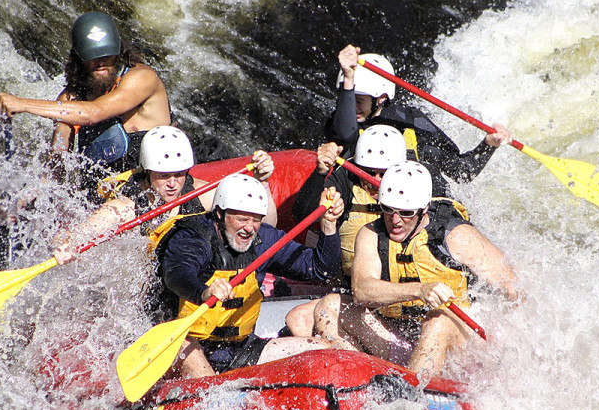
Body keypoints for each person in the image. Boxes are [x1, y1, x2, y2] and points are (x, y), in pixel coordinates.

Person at [318, 162, 520, 380]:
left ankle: (409, 398)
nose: (394, 221)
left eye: (405, 212)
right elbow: (362, 291)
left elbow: (515, 289)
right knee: (328, 306)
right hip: (404, 336)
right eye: (388, 210)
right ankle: (357, 382)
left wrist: (508, 346)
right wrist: (419, 290)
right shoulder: (371, 234)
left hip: (461, 340)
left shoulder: (457, 236)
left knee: (438, 320)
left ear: (423, 210)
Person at [156, 174, 347, 378]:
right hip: (186, 342)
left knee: (326, 351)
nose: (249, 228)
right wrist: (204, 292)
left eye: (256, 219)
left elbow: (320, 269)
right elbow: (176, 274)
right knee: (206, 382)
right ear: (220, 213)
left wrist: (329, 226)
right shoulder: (192, 237)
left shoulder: (264, 239)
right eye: (242, 219)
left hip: (241, 347)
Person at [52, 126, 277, 264]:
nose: (172, 184)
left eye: (179, 174)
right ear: (148, 172)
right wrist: (66, 245)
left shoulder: (203, 194)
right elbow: (74, 235)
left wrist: (262, 183)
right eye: (163, 175)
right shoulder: (125, 208)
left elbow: (268, 227)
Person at [0, 11, 172, 179]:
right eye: (92, 57)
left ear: (118, 53)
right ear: (79, 59)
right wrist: (33, 194)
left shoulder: (141, 78)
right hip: (103, 193)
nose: (101, 62)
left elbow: (95, 112)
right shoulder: (70, 101)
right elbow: (58, 159)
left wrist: (23, 104)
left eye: (107, 55)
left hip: (150, 186)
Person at [282, 125, 412, 337]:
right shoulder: (347, 178)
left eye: (384, 173)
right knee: (298, 319)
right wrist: (321, 172)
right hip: (356, 292)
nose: (376, 181)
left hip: (399, 299)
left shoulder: (414, 189)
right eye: (369, 173)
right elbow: (304, 214)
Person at [324, 45, 512, 184]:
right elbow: (345, 135)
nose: (351, 106)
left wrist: (488, 145)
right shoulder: (341, 122)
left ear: (380, 98)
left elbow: (462, 172)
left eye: (358, 100)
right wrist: (348, 79)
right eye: (347, 98)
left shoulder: (412, 123)